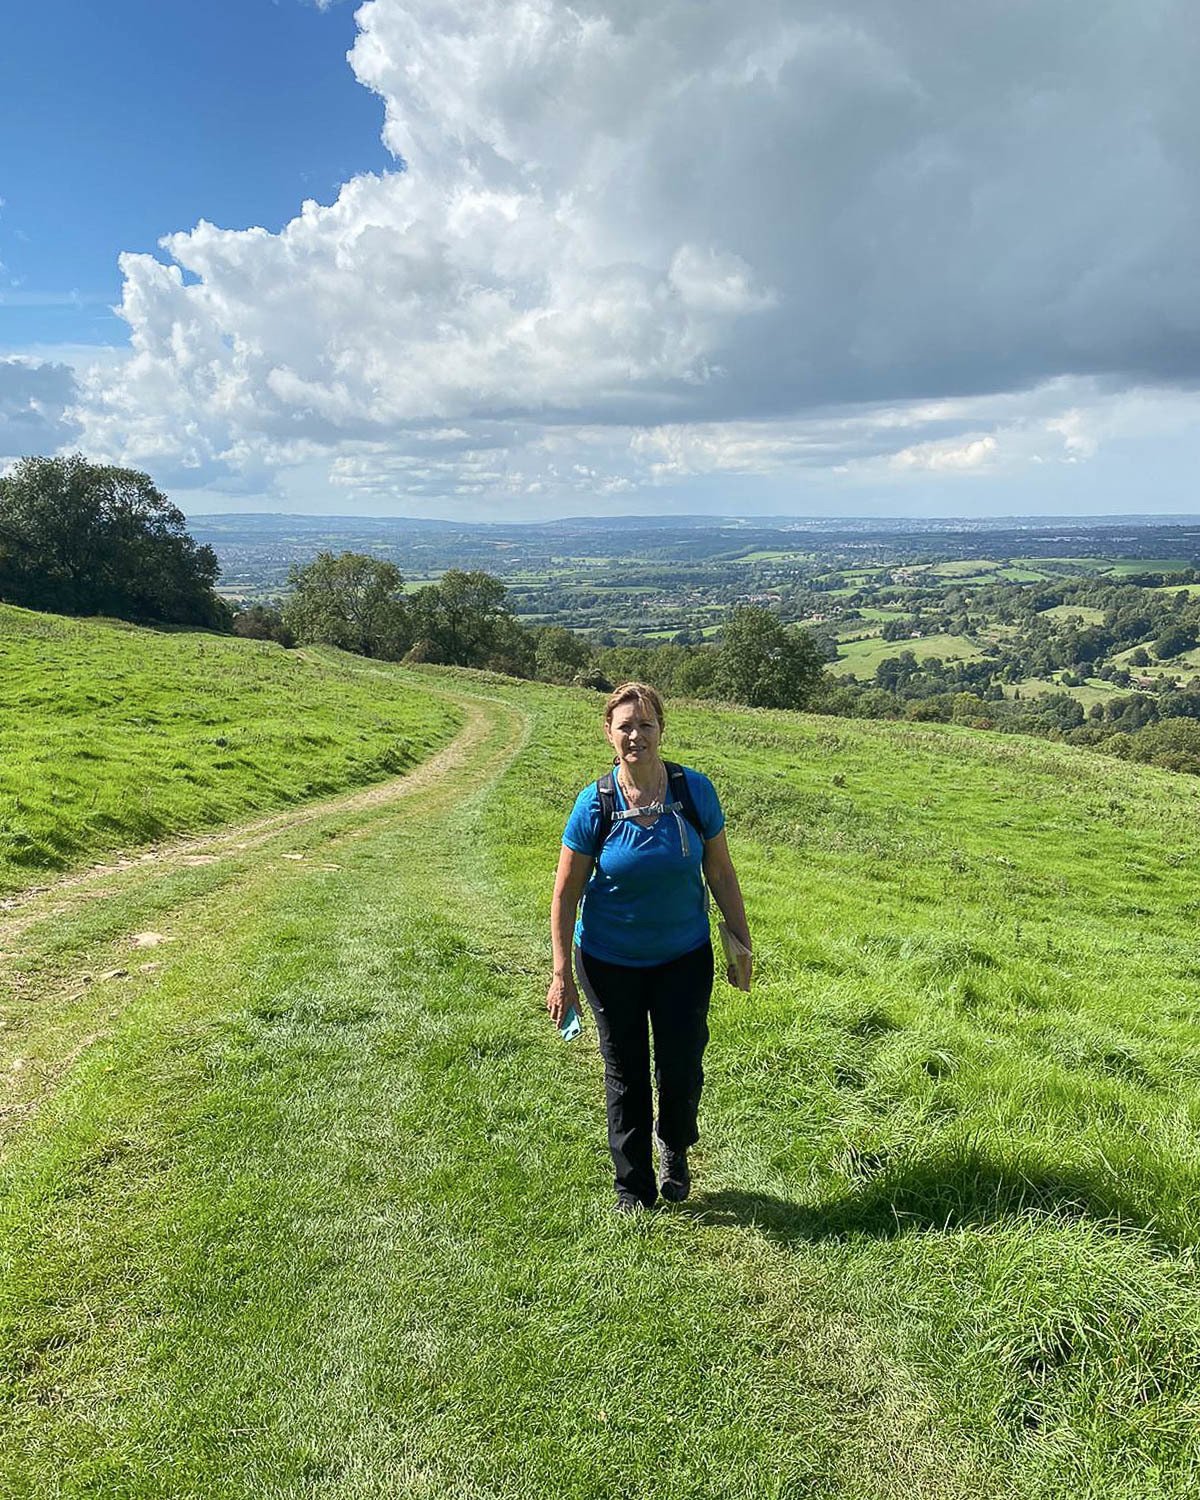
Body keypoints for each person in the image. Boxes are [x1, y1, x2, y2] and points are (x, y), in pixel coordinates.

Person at [546, 682, 752, 1213]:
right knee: (626, 1070)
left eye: (645, 724)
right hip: (610, 962)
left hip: (684, 956)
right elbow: (566, 890)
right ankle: (632, 1189)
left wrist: (741, 941)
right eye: (625, 726)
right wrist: (561, 970)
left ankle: (675, 1146)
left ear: (661, 727)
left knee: (681, 1066)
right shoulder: (596, 803)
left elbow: (721, 871)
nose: (636, 735)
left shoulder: (692, 791)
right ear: (609, 733)